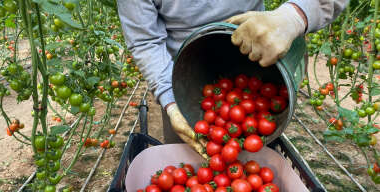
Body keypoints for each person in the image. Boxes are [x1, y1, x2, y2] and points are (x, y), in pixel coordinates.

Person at [117, 0, 349, 157]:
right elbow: (145, 40)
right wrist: (170, 100)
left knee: (256, 177)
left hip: (260, 67)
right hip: (184, 82)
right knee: (191, 167)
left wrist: (294, 16)